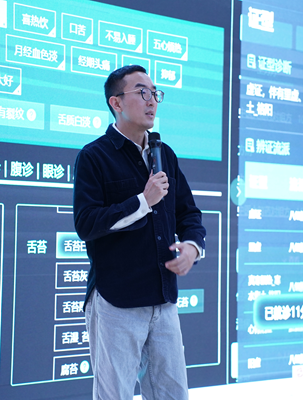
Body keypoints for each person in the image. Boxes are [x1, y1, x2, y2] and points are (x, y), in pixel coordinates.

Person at [72, 64, 206, 400]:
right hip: (117, 300)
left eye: (155, 93)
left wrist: (192, 246)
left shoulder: (164, 155)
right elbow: (87, 223)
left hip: (163, 299)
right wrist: (143, 202)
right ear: (116, 103)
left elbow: (188, 212)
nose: (152, 100)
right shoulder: (94, 156)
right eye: (142, 92)